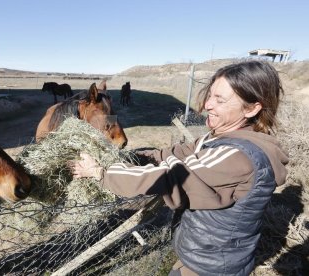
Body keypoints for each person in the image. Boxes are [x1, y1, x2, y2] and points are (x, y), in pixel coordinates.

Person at [70, 60, 289, 275]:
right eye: (210, 94)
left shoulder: (236, 156)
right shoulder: (219, 139)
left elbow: (170, 175)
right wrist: (129, 156)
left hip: (210, 267)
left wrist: (100, 172)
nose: (206, 105)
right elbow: (172, 155)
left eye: (220, 99)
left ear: (251, 108)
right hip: (199, 255)